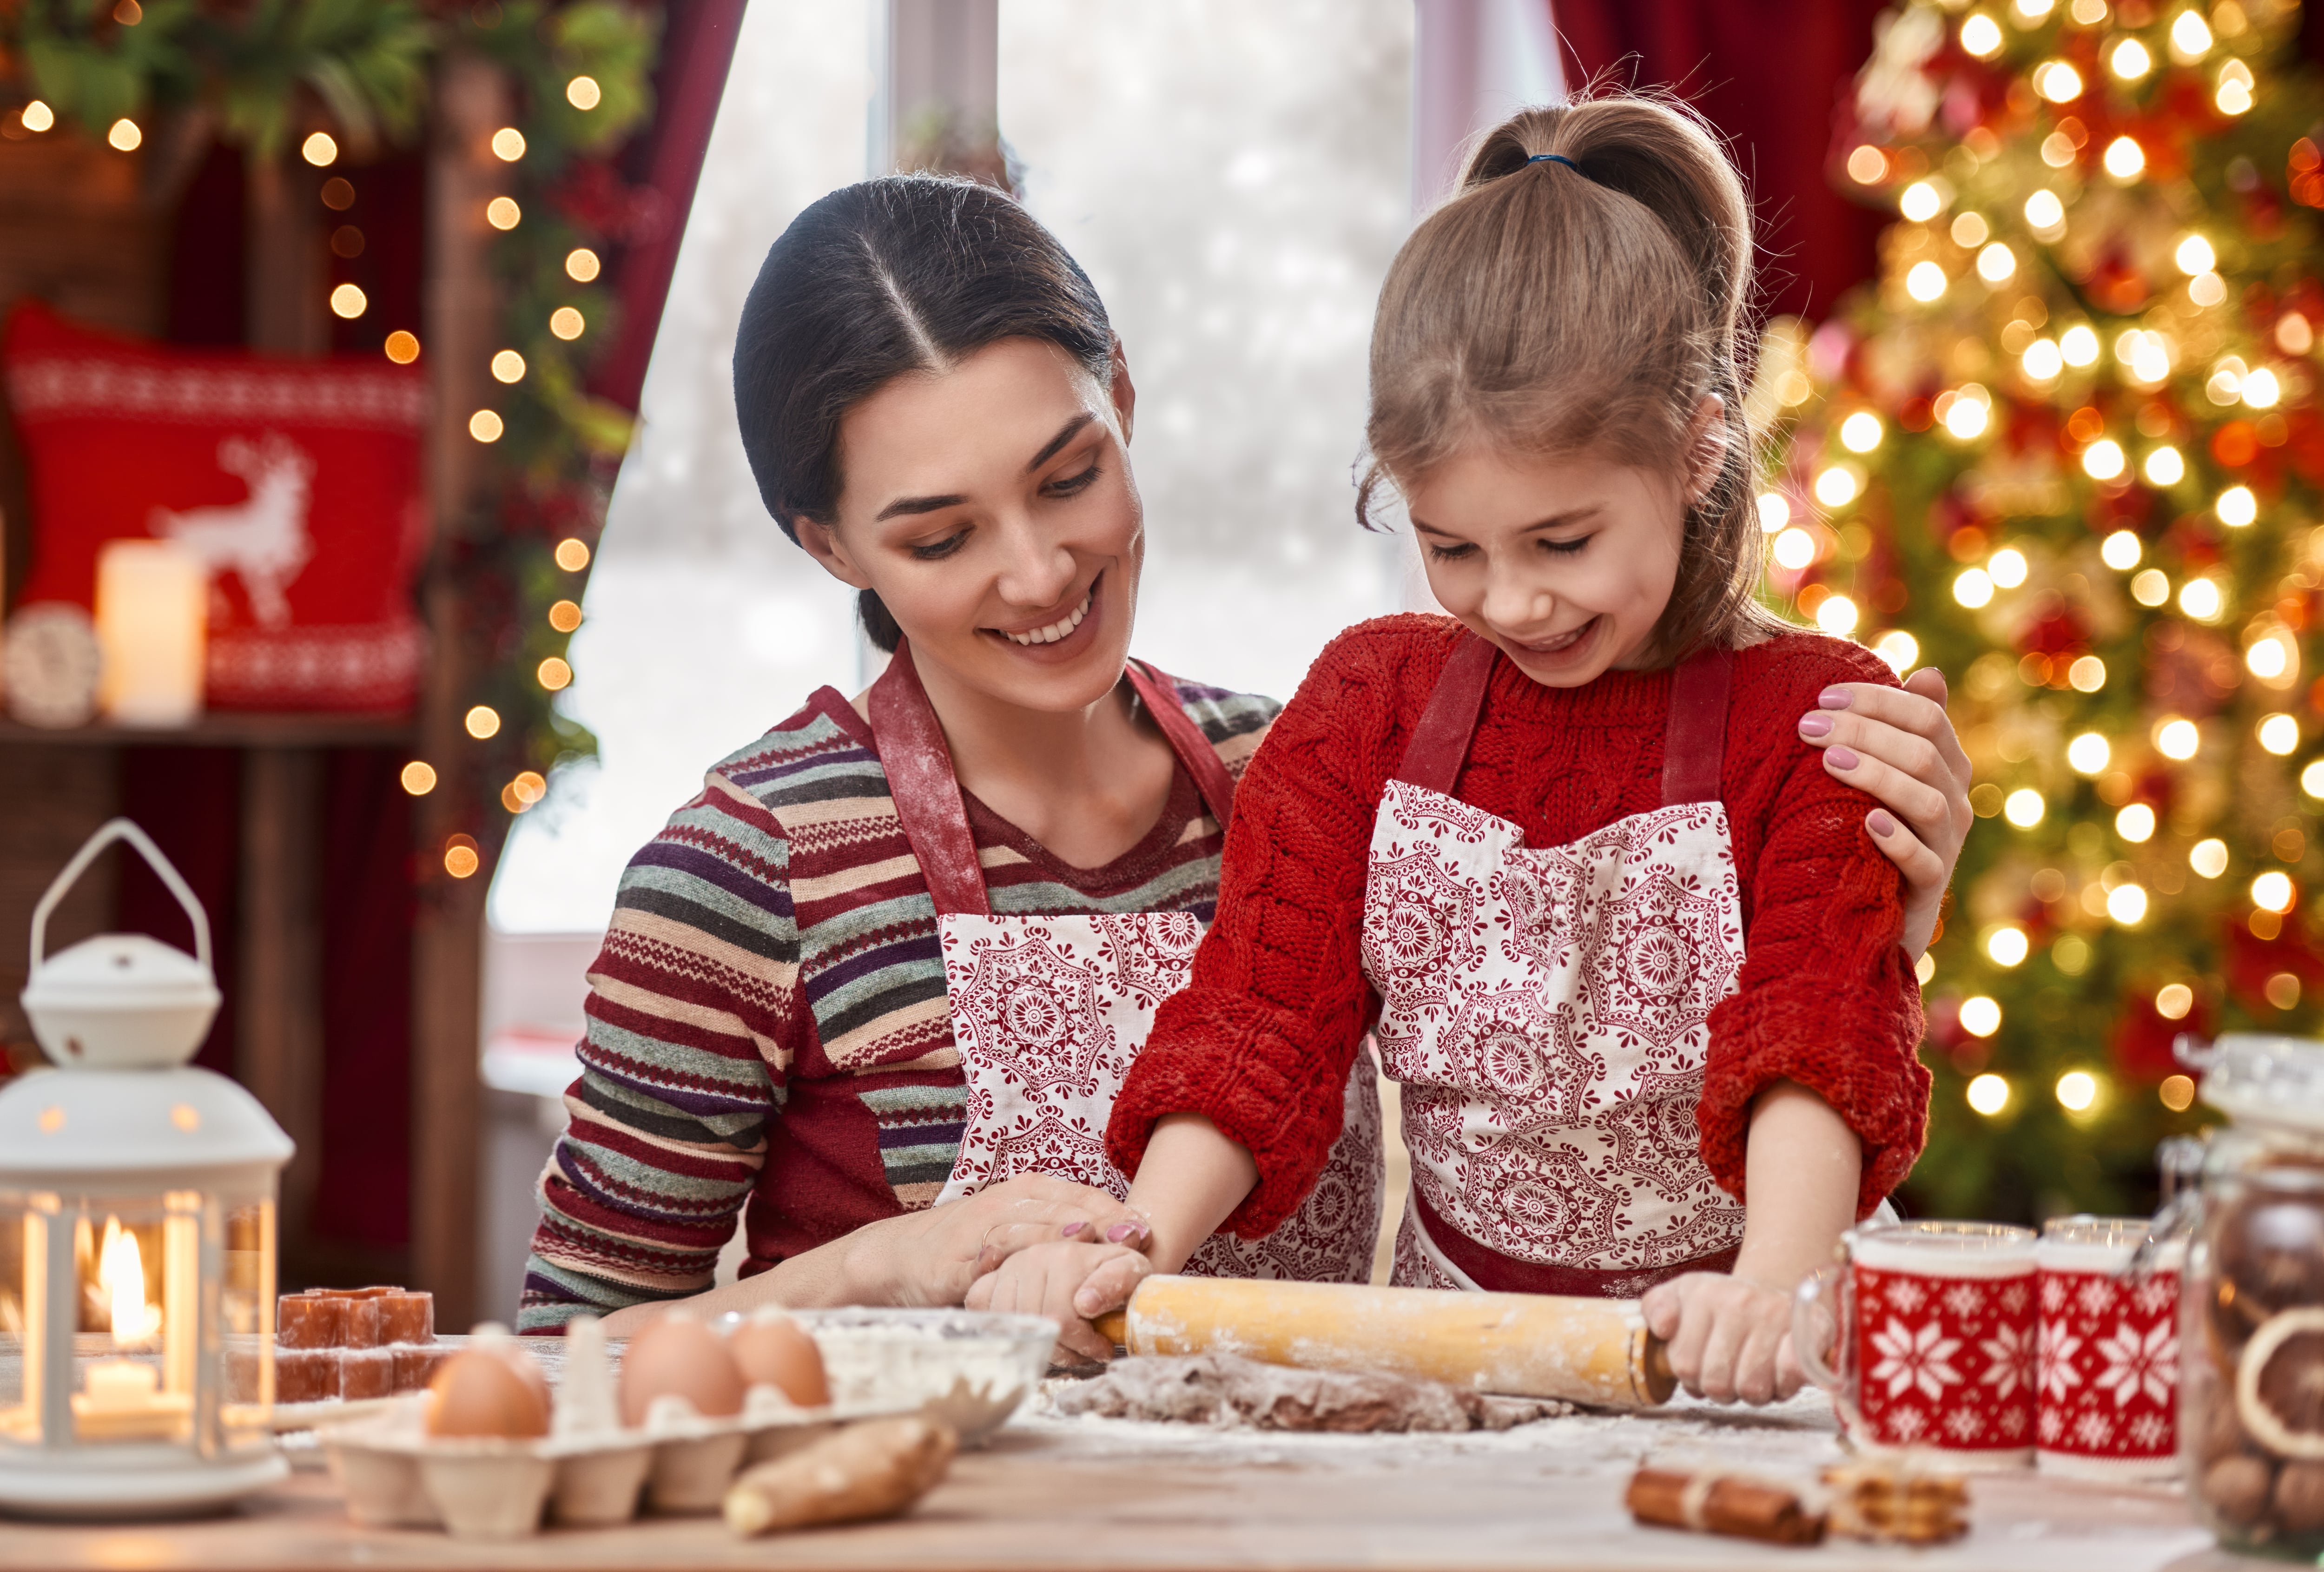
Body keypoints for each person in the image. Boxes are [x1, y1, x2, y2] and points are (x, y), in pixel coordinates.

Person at [518, 171, 1972, 1354]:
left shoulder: (1303, 761)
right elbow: (562, 1367)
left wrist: (1871, 907)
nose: (1039, 572)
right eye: (941, 535)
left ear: (1128, 404)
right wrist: (889, 1265)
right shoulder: (745, 870)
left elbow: (1711, 953)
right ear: (827, 546)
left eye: (1070, 475)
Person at [989, 97, 1948, 1402]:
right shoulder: (1368, 706)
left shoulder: (1820, 720)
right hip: (1454, 1364)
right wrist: (1134, 1239)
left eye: (1562, 543)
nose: (1510, 603)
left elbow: (1815, 1032)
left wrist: (1773, 1285)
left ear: (1697, 451)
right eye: (1452, 547)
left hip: (1749, 1357)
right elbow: (1262, 1018)